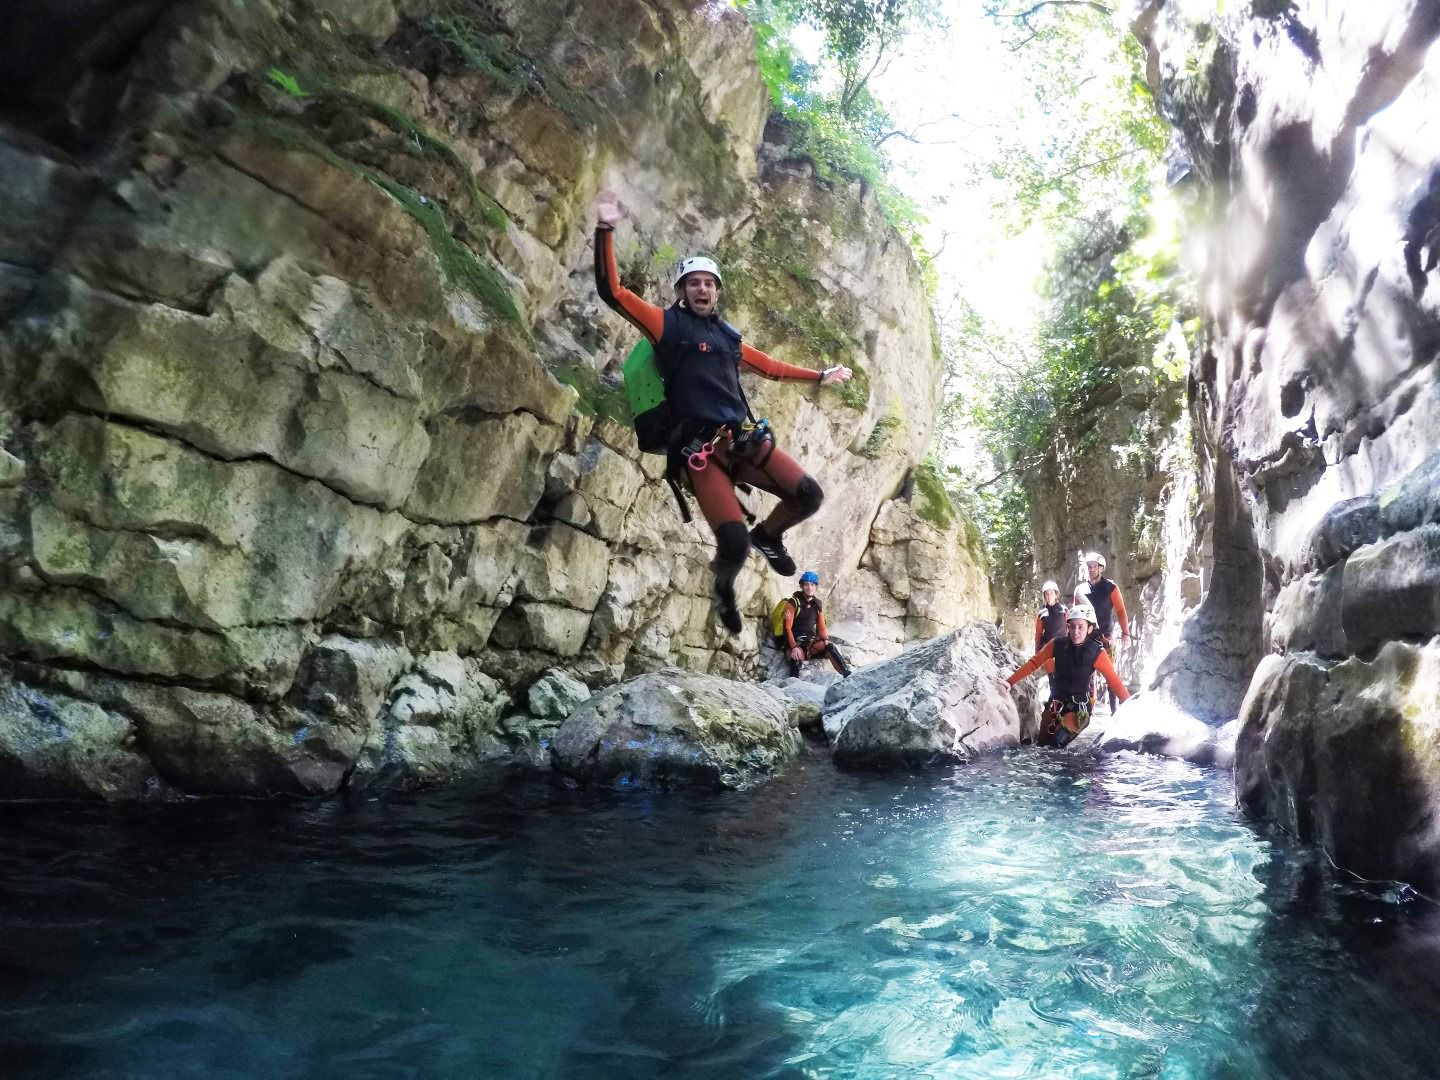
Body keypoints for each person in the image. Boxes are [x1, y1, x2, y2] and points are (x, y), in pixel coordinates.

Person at [593, 190, 852, 634]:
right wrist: (606, 228)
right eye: (693, 282)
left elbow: (770, 368)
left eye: (709, 283)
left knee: (808, 495)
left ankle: (768, 535)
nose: (702, 288)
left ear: (717, 292)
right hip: (700, 450)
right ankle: (724, 588)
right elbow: (613, 291)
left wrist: (819, 375)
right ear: (680, 290)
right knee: (732, 544)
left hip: (741, 438)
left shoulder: (729, 339)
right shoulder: (666, 325)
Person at [1002, 602, 1129, 748]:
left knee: (1056, 744)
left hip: (1078, 709)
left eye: (1080, 627)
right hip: (1055, 704)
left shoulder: (1096, 653)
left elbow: (1114, 682)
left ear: (1090, 629)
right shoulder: (1057, 644)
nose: (1075, 631)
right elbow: (1034, 663)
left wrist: (1130, 705)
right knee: (1042, 746)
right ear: (1067, 627)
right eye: (1072, 626)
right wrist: (1009, 682)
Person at [1081, 551, 1132, 713]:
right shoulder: (1081, 590)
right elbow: (1075, 614)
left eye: (1094, 566)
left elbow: (1121, 610)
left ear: (1101, 568)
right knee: (1087, 677)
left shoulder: (1111, 587)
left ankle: (1114, 711)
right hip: (1087, 639)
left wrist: (1125, 633)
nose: (1091, 569)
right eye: (1089, 566)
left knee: (1110, 675)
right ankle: (1088, 711)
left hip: (1106, 639)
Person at [775, 570, 851, 678]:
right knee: (796, 657)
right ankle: (793, 685)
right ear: (802, 586)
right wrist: (794, 647)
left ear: (815, 587)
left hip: (809, 644)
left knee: (830, 647)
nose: (809, 587)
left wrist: (825, 640)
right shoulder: (793, 602)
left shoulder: (817, 604)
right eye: (806, 584)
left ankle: (846, 673)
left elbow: (821, 628)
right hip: (793, 642)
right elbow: (787, 627)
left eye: (812, 585)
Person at [1033, 579, 1067, 697]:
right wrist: (1037, 652)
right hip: (1048, 650)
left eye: (1051, 593)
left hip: (1064, 649)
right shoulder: (1042, 614)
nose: (1049, 596)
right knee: (1053, 680)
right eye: (1046, 594)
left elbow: (1071, 628)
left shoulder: (1064, 611)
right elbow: (1038, 634)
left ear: (1056, 594)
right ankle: (1055, 708)